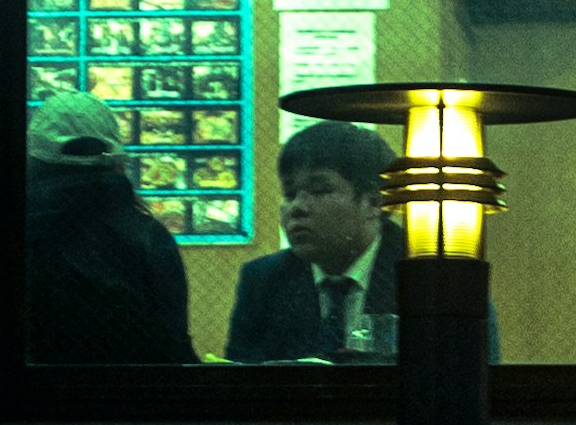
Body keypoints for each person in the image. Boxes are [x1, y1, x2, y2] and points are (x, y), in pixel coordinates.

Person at [23, 94, 198, 365]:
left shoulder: (11, 235)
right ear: (117, 161)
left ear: (33, 162)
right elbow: (174, 351)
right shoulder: (150, 238)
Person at [224, 121, 405, 365]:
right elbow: (240, 385)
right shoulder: (263, 281)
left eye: (319, 190)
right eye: (289, 194)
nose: (297, 207)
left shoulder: (418, 274)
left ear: (373, 203)